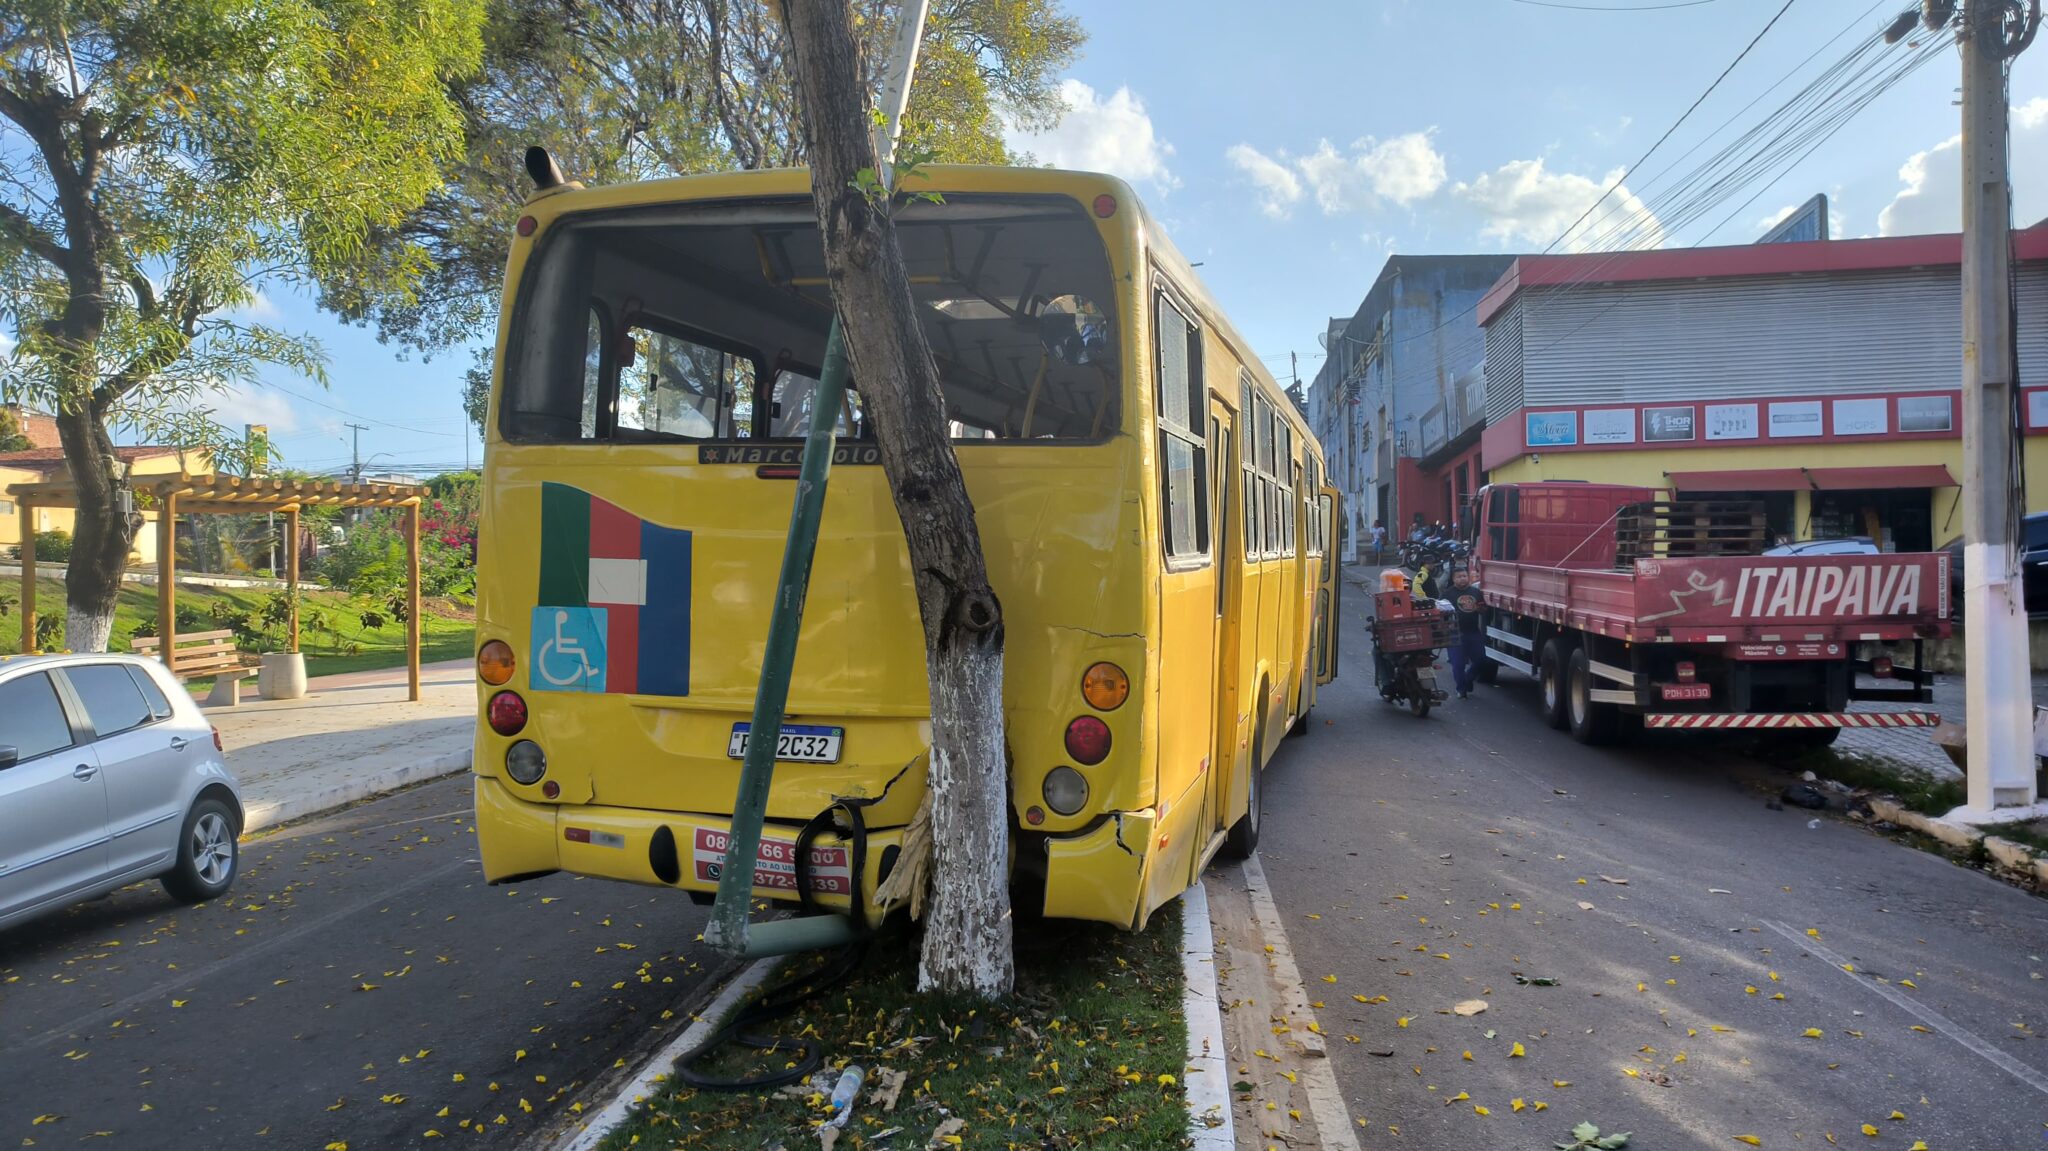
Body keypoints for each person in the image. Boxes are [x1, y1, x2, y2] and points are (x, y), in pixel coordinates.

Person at [1449, 568, 1485, 699]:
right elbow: (1440, 610)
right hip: (1455, 634)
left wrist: (1480, 608)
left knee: (1481, 660)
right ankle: (1461, 689)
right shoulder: (1448, 594)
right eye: (1458, 577)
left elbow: (1483, 609)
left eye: (1464, 576)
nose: (1462, 578)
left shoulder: (1475, 592)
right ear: (1453, 579)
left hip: (1473, 632)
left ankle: (1468, 679)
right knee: (1458, 664)